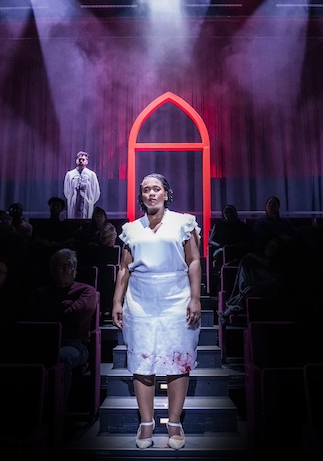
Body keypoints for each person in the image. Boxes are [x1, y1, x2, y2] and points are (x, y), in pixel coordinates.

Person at [112, 173, 202, 450]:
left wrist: (196, 297)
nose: (151, 193)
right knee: (142, 361)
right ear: (141, 197)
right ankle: (147, 423)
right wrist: (117, 301)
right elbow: (125, 268)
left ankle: (174, 423)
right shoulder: (131, 229)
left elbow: (194, 261)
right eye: (146, 190)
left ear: (166, 193)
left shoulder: (183, 223)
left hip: (176, 296)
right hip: (140, 299)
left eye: (156, 189)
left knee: (178, 359)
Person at [26, 248, 98, 413]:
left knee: (61, 358)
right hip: (43, 341)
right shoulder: (40, 292)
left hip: (75, 344)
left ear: (75, 271)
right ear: (52, 270)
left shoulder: (86, 291)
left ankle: (57, 415)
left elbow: (76, 318)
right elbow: (35, 316)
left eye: (69, 266)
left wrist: (52, 311)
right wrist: (64, 307)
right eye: (60, 265)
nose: (65, 269)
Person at [63, 151, 101, 219]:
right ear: (76, 161)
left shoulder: (91, 175)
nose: (81, 161)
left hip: (87, 204)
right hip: (74, 204)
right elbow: (67, 190)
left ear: (86, 162)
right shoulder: (70, 174)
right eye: (79, 159)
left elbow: (96, 191)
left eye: (83, 160)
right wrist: (72, 199)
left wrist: (90, 201)